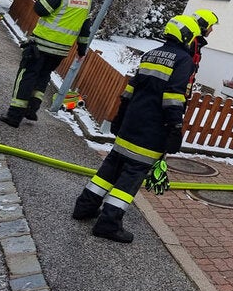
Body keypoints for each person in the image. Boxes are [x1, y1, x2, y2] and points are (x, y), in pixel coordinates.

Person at [71, 14, 201, 243]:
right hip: (152, 129)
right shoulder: (183, 60)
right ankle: (108, 223)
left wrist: (120, 116)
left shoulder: (151, 54)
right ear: (188, 36)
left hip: (131, 121)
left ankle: (84, 207)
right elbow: (173, 95)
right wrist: (174, 127)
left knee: (110, 167)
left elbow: (131, 87)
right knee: (131, 177)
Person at [0, 0, 92, 127]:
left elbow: (41, 10)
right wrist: (82, 50)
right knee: (42, 76)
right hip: (61, 51)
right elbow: (86, 28)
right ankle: (32, 110)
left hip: (41, 44)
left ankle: (14, 116)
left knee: (26, 75)